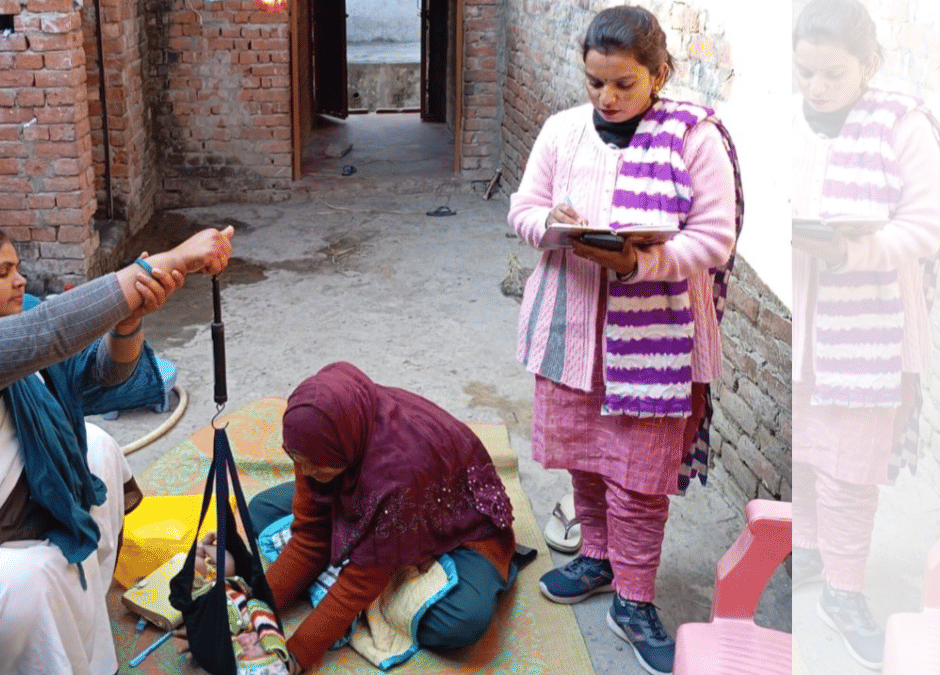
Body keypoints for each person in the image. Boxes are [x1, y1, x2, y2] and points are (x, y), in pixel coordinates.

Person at [0, 220, 232, 674]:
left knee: (97, 450)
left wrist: (126, 323)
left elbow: (105, 374)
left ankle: (81, 634)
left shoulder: (11, 322)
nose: (20, 280)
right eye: (2, 272)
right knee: (24, 582)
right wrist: (166, 262)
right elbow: (49, 330)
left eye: (18, 268)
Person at [508, 6, 742, 674]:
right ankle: (597, 558)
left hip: (655, 345)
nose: (606, 99)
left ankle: (634, 599)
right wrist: (551, 223)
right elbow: (522, 209)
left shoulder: (694, 139)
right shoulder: (562, 131)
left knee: (639, 478)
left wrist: (639, 263)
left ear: (659, 75)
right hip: (572, 329)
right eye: (594, 83)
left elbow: (713, 238)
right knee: (586, 457)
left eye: (624, 85)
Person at [790, 0, 940, 669]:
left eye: (833, 74)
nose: (817, 88)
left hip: (867, 324)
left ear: (870, 64)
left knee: (851, 464)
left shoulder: (902, 123)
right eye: (806, 73)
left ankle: (844, 592)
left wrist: (851, 250)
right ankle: (814, 551)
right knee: (808, 450)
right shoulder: (785, 115)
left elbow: (927, 225)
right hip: (804, 318)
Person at [205, 361, 519, 673]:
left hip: (457, 522)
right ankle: (373, 537)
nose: (308, 472)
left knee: (461, 623)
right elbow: (311, 541)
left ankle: (405, 550)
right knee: (260, 510)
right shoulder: (319, 435)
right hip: (364, 483)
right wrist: (247, 614)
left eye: (319, 466)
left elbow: (360, 582)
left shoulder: (394, 477)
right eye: (298, 460)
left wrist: (297, 654)